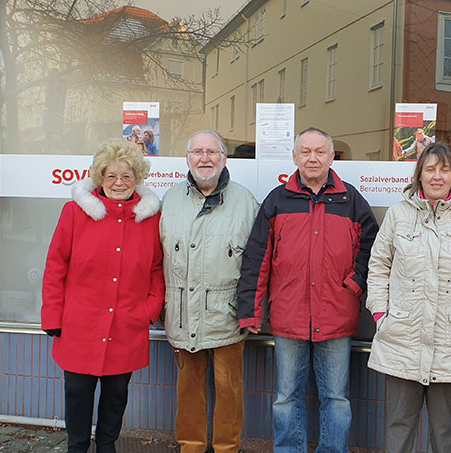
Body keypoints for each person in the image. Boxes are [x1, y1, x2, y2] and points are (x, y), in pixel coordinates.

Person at [236, 127, 379, 453]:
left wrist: (353, 285)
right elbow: (257, 258)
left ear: (331, 157)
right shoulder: (277, 200)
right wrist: (251, 310)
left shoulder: (351, 200)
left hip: (335, 315)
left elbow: (374, 248)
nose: (312, 158)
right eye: (306, 152)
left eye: (319, 152)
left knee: (336, 398)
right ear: (295, 157)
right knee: (286, 398)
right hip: (289, 315)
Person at [366, 142, 451, 453]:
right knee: (399, 429)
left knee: (445, 433)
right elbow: (378, 266)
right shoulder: (398, 214)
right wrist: (380, 315)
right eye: (430, 169)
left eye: (445, 169)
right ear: (419, 175)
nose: (437, 176)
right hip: (402, 340)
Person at [41, 139, 164, 453]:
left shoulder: (149, 219)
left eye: (126, 176)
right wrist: (53, 316)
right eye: (111, 176)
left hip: (126, 324)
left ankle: (107, 445)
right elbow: (56, 265)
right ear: (100, 179)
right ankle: (77, 447)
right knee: (78, 393)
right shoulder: (75, 213)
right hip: (80, 324)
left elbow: (157, 269)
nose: (119, 183)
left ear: (136, 178)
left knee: (116, 395)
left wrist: (148, 310)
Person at [160, 130, 259, 453]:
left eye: (212, 152)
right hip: (182, 314)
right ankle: (191, 447)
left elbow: (258, 264)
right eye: (198, 152)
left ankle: (227, 449)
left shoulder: (245, 202)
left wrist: (253, 310)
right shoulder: (170, 201)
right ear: (188, 158)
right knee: (188, 389)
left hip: (227, 315)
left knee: (229, 390)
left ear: (224, 158)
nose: (205, 158)